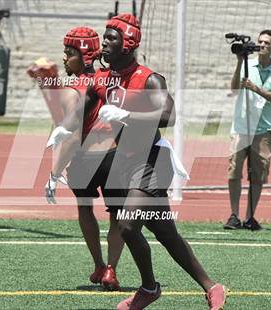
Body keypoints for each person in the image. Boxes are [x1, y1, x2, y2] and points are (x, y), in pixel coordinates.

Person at [49, 13, 227, 310]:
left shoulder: (149, 78)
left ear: (128, 45)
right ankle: (210, 286)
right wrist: (64, 129)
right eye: (104, 37)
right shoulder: (104, 78)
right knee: (165, 232)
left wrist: (126, 116)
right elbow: (85, 108)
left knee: (129, 227)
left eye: (111, 39)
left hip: (153, 160)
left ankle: (149, 288)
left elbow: (169, 117)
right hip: (127, 161)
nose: (103, 43)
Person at [28, 27, 125, 291]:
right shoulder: (109, 80)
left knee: (85, 207)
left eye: (69, 53)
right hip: (116, 155)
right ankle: (111, 270)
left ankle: (99, 264)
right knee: (117, 213)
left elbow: (70, 135)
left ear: (84, 55)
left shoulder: (74, 88)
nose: (64, 58)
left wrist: (54, 173)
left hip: (87, 158)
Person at [223, 30, 271, 231]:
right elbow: (234, 90)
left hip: (262, 130)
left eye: (267, 43)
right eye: (260, 42)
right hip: (241, 127)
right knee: (234, 173)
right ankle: (234, 215)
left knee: (257, 176)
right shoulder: (247, 65)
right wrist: (239, 62)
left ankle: (250, 216)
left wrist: (255, 88)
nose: (262, 45)